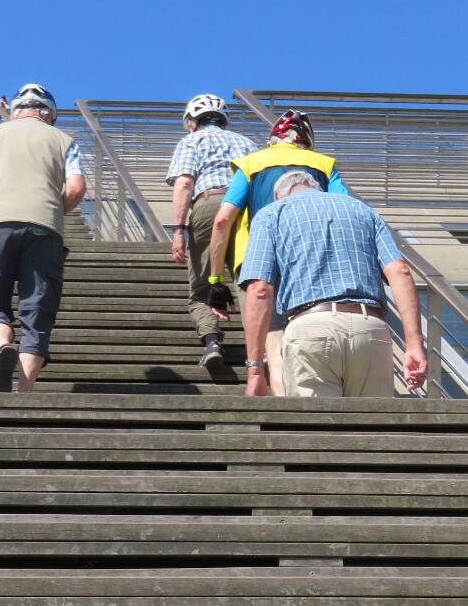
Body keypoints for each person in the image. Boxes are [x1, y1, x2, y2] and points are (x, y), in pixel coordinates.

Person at [239, 170, 427, 398]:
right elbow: (400, 271)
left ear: (278, 195)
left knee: (317, 421)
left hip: (310, 328)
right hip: (370, 328)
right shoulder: (363, 211)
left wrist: (255, 368)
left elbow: (260, 289)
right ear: (318, 188)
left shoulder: (271, 214)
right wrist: (414, 345)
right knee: (371, 419)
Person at [0, 82, 86, 393]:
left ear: (14, 112)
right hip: (44, 229)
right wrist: (54, 209)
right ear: (50, 114)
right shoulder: (65, 141)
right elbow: (77, 188)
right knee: (38, 310)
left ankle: (3, 346)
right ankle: (23, 393)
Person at [207, 109, 349, 394]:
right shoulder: (323, 164)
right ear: (305, 141)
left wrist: (215, 279)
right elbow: (344, 210)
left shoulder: (250, 163)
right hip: (312, 263)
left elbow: (222, 220)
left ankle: (281, 403)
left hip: (259, 264)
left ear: (271, 140)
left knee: (272, 341)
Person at [166, 94, 257, 369]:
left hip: (209, 203)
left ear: (191, 122)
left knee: (202, 287)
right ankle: (260, 351)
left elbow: (184, 184)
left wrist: (179, 230)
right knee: (248, 281)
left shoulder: (191, 141)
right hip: (245, 209)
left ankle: (212, 342)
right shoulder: (247, 143)